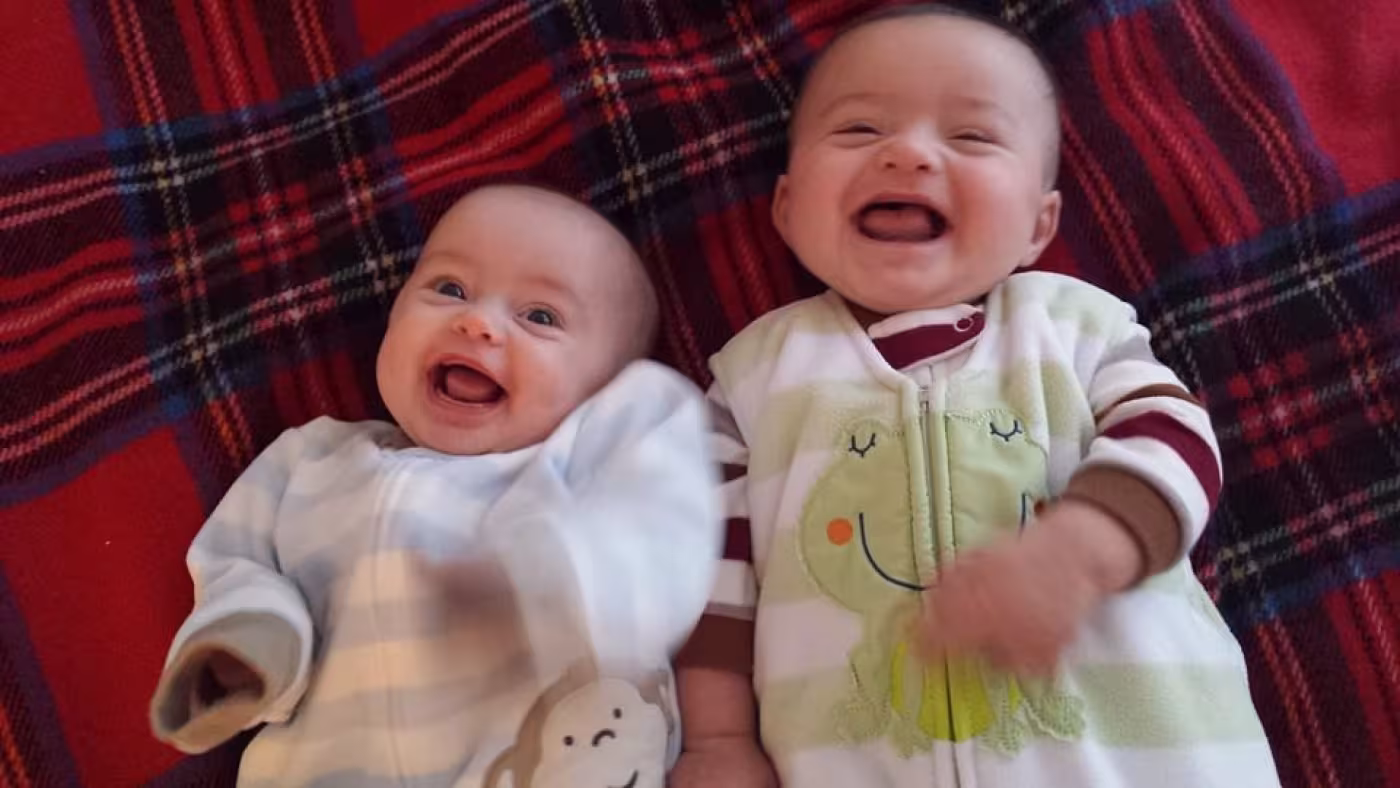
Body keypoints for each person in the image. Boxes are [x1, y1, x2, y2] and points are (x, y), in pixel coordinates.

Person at [671, 5, 1279, 787]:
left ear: (1037, 224)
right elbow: (710, 585)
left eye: (972, 136)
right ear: (788, 210)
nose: (910, 154)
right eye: (859, 130)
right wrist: (717, 742)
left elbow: (1177, 435)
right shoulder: (750, 380)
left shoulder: (1075, 326)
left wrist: (1083, 549)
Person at [149, 184, 721, 788]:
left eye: (541, 316)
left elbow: (664, 541)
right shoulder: (313, 459)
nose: (477, 322)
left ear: (605, 390)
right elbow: (237, 560)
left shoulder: (595, 462)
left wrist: (541, 577)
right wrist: (249, 642)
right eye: (450, 289)